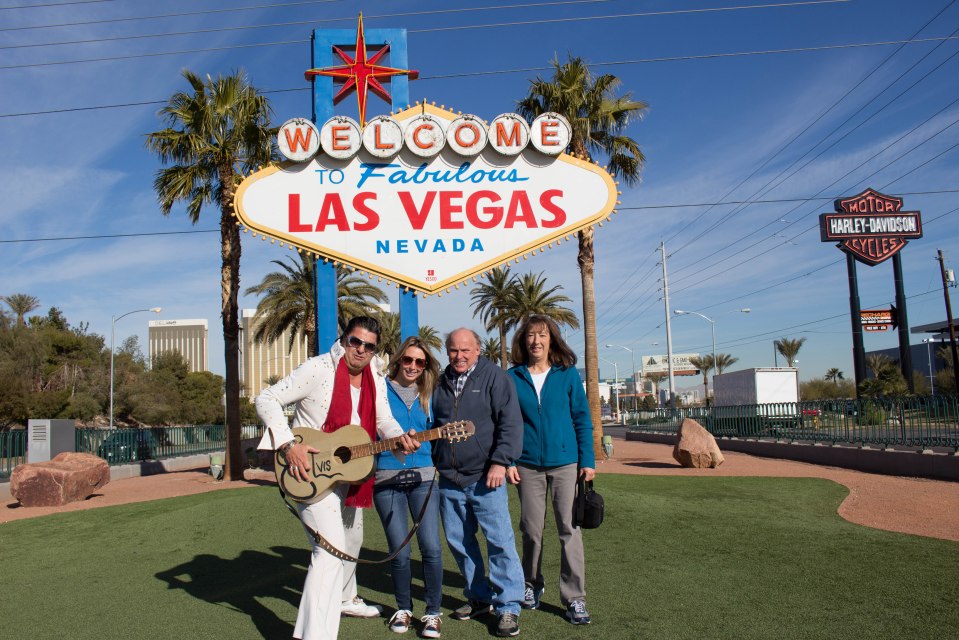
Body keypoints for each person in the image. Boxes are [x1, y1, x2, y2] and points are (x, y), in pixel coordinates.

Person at [255, 316, 420, 640]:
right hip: (309, 472)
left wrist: (399, 437)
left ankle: (346, 598)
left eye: (369, 346)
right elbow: (266, 398)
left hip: (351, 472)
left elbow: (384, 419)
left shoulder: (375, 375)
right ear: (344, 340)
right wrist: (288, 445)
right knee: (329, 552)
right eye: (355, 342)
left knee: (352, 540)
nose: (361, 350)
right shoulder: (318, 369)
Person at [431, 328, 526, 638]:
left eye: (465, 350)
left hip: (486, 476)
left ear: (477, 350)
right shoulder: (441, 382)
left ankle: (508, 605)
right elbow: (436, 426)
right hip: (450, 478)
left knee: (499, 541)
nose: (459, 356)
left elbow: (510, 423)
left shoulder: (495, 378)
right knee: (459, 542)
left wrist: (500, 461)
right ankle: (479, 597)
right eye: (453, 350)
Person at [505, 315, 595, 625]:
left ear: (551, 340)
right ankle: (531, 584)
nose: (536, 341)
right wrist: (509, 461)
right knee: (531, 530)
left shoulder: (567, 375)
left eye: (542, 335)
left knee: (569, 530)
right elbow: (507, 423)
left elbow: (582, 418)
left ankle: (575, 597)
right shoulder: (512, 377)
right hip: (527, 465)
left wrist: (587, 461)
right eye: (531, 335)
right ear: (523, 340)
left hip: (566, 464)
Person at [374, 337, 444, 638]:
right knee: (399, 551)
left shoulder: (430, 394)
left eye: (420, 362)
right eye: (408, 359)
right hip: (386, 479)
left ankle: (433, 612)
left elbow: (440, 431)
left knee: (431, 548)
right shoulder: (379, 389)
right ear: (399, 360)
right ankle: (403, 608)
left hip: (424, 478)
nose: (413, 366)